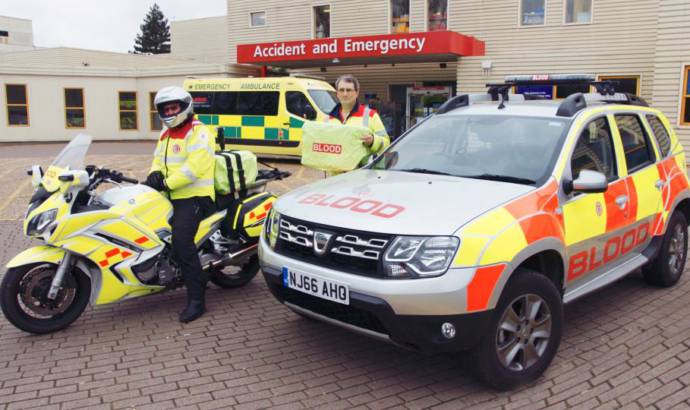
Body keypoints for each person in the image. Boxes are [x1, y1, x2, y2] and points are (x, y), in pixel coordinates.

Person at [143, 86, 215, 323]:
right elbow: (157, 160)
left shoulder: (199, 132)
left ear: (185, 107)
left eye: (174, 107)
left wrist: (166, 183)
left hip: (194, 196)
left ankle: (197, 299)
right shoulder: (165, 134)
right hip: (171, 194)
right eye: (166, 108)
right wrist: (154, 175)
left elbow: (193, 168)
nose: (170, 112)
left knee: (182, 241)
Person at [327, 75, 390, 166]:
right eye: (341, 90)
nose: (345, 94)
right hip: (335, 176)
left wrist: (373, 141)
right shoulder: (328, 119)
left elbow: (386, 143)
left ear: (356, 93)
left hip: (361, 175)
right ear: (337, 93)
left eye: (349, 90)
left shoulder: (371, 116)